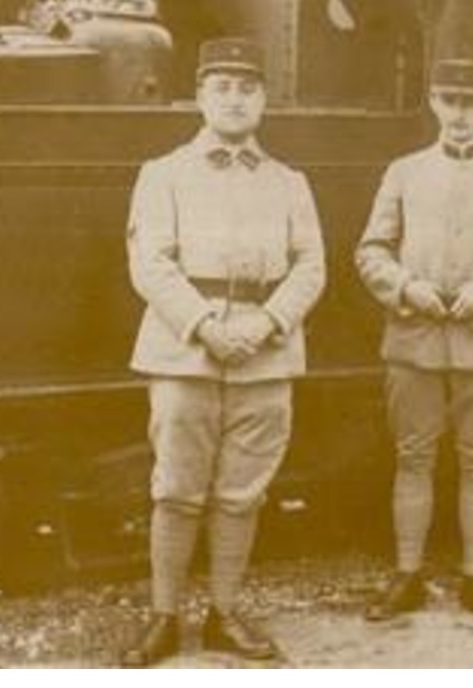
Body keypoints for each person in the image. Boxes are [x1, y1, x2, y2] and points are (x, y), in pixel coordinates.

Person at [122, 37, 327, 665]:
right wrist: (207, 326)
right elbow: (150, 265)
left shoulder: (289, 182)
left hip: (266, 351)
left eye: (246, 88)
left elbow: (311, 267)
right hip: (186, 350)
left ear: (263, 100)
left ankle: (224, 614)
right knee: (178, 487)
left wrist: (267, 323)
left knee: (243, 492)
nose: (235, 100)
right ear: (200, 95)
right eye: (222, 87)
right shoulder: (163, 174)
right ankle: (163, 618)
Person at [356, 58, 473, 621]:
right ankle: (408, 574)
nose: (461, 113)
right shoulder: (404, 172)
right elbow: (371, 250)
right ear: (433, 102)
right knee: (412, 457)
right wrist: (406, 286)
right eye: (449, 99)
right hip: (414, 337)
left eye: (472, 101)